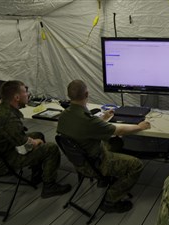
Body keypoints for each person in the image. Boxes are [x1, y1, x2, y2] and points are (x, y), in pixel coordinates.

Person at [57, 79, 151, 213]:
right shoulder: (88, 120)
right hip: (95, 164)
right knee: (136, 165)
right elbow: (120, 130)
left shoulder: (64, 115)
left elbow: (87, 128)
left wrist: (103, 118)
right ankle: (110, 200)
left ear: (69, 95)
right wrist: (139, 126)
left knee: (115, 142)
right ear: (87, 94)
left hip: (79, 163)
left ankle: (104, 181)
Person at [0, 80, 71, 198]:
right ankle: (49, 186)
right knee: (51, 148)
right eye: (25, 92)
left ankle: (37, 176)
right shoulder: (9, 118)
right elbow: (24, 147)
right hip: (0, 163)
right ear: (17, 97)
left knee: (37, 134)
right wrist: (35, 143)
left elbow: (16, 137)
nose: (28, 95)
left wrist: (34, 140)